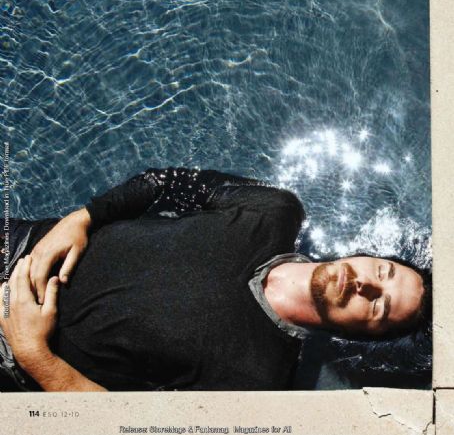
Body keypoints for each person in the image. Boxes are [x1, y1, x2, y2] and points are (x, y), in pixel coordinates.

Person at [0, 166, 430, 392]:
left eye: (379, 305)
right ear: (370, 256)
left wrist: (36, 358)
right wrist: (83, 217)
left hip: (10, 355)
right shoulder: (275, 210)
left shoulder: (257, 382)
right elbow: (168, 182)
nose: (366, 284)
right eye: (383, 271)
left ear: (362, 335)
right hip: (25, 242)